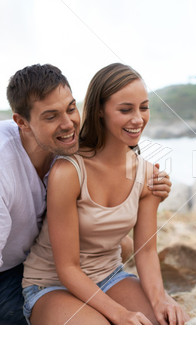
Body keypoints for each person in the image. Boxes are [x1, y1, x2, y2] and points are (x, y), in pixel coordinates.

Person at [0, 64, 172, 324]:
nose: (68, 124)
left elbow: (145, 250)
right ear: (22, 122)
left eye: (71, 108)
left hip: (95, 268)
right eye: (51, 116)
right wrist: (119, 313)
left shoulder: (69, 142)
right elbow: (66, 267)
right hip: (17, 273)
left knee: (161, 322)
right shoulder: (10, 168)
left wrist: (153, 185)